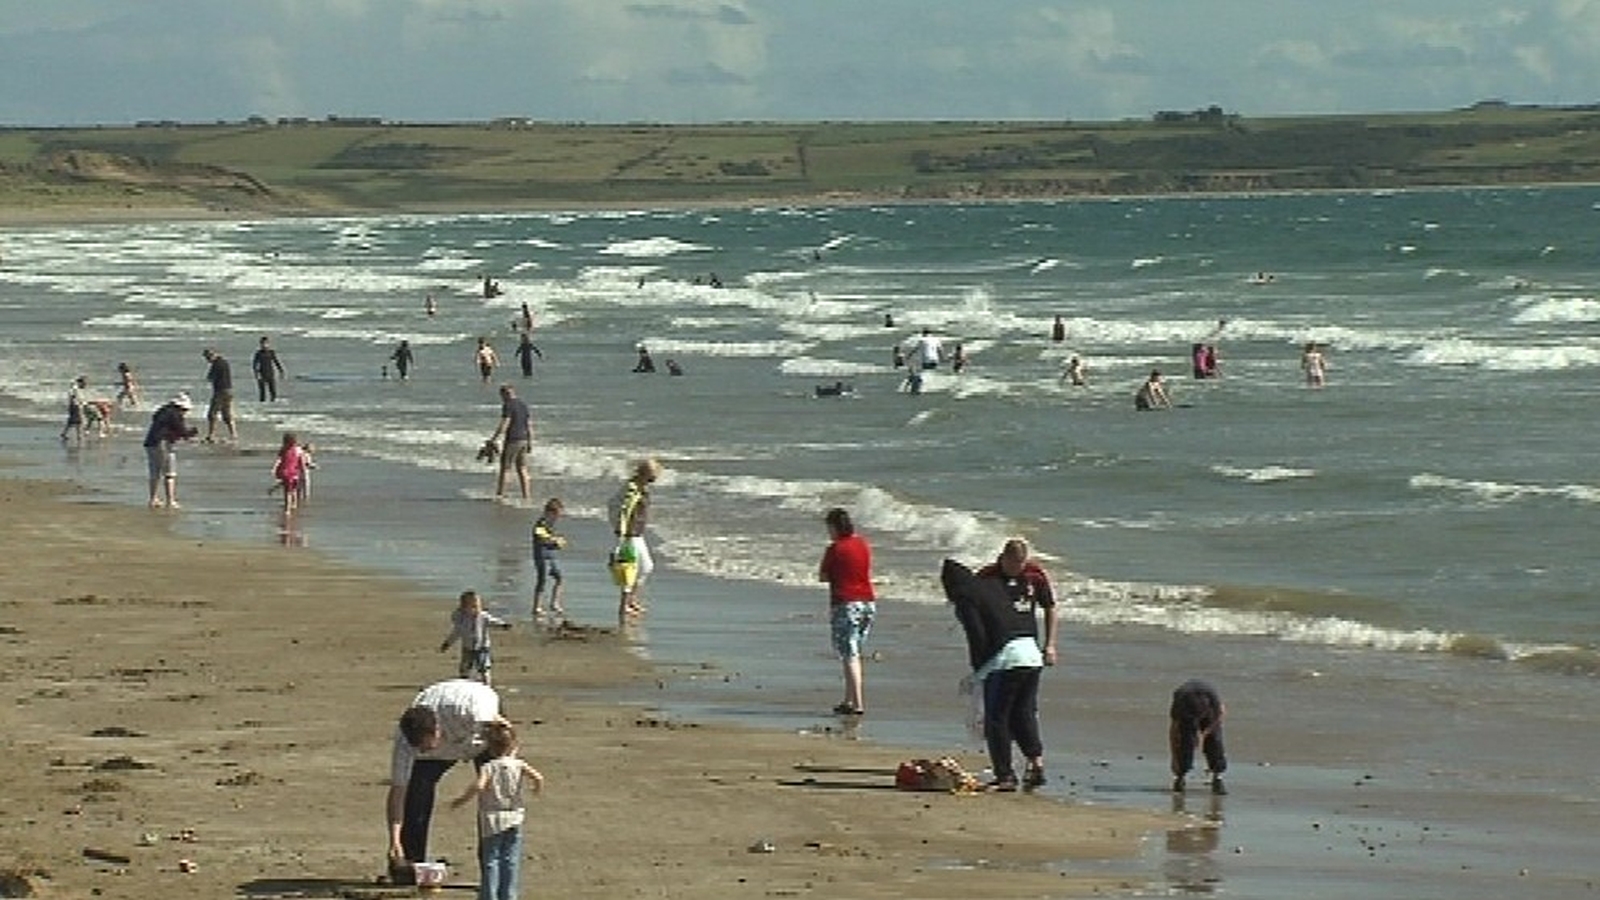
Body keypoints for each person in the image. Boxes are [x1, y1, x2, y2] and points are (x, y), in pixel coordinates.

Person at [941, 538, 1058, 792]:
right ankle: (1036, 763)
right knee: (1023, 713)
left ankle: (1005, 776)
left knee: (997, 718)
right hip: (1030, 654)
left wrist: (978, 671)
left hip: (1008, 659)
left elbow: (977, 634)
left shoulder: (971, 594)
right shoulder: (989, 580)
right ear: (1003, 558)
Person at [386, 678, 509, 881]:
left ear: (436, 730)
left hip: (479, 735)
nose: (421, 751)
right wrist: (394, 840)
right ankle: (413, 865)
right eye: (418, 748)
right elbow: (398, 792)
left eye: (425, 746)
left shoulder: (475, 712)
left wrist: (507, 763)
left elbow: (507, 732)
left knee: (493, 799)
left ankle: (492, 870)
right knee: (416, 794)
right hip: (446, 740)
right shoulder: (407, 741)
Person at [449, 723, 543, 900]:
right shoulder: (519, 765)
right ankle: (509, 894)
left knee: (491, 859)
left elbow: (478, 786)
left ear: (490, 748)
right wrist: (536, 790)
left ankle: (489, 895)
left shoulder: (489, 767)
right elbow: (538, 777)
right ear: (514, 745)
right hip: (514, 815)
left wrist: (461, 800)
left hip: (492, 818)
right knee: (511, 858)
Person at [818, 508, 875, 716]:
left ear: (834, 527)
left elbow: (823, 576)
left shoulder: (835, 549)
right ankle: (849, 699)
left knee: (849, 655)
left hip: (846, 604)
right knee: (853, 653)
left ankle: (858, 703)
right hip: (868, 602)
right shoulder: (863, 544)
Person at [611, 457, 661, 619]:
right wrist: (622, 531)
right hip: (629, 535)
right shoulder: (632, 489)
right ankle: (624, 606)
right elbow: (624, 510)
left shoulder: (641, 487)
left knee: (646, 566)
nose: (655, 478)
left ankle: (631, 600)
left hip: (637, 533)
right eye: (653, 474)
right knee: (629, 569)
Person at [439, 590, 512, 685]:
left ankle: (487, 684)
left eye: (478, 606)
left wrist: (503, 625)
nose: (476, 609)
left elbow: (493, 622)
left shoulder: (483, 616)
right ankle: (464, 682)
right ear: (463, 608)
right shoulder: (462, 620)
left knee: (484, 667)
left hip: (482, 647)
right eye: (472, 607)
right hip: (467, 648)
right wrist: (447, 643)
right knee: (465, 667)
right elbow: (456, 633)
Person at [1170, 679, 1227, 795]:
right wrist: (1174, 757)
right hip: (1187, 701)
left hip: (1206, 696)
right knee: (1185, 742)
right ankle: (1180, 776)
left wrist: (1205, 733)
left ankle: (1218, 776)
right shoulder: (1182, 707)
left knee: (1215, 740)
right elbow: (1174, 732)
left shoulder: (1213, 703)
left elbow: (1221, 714)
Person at [142, 393, 198, 509]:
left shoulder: (162, 411)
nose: (185, 412)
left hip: (151, 443)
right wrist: (193, 432)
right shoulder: (175, 414)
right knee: (169, 474)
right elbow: (182, 431)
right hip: (163, 444)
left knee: (155, 473)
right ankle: (170, 501)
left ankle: (153, 499)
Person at [489, 384, 532, 502]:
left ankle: (500, 495)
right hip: (524, 439)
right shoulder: (523, 405)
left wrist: (494, 439)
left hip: (512, 440)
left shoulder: (508, 405)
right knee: (522, 468)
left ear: (504, 394)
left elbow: (505, 423)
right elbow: (529, 424)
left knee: (505, 468)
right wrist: (530, 441)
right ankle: (526, 496)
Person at [531, 499, 567, 618]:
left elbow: (550, 539)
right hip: (541, 556)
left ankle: (554, 602)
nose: (557, 518)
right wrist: (555, 541)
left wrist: (557, 543)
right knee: (542, 580)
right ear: (548, 513)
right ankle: (537, 606)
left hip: (550, 556)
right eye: (556, 515)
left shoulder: (550, 525)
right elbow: (541, 538)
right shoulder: (540, 524)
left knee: (559, 578)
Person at [201, 348, 237, 442]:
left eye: (207, 358)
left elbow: (210, 377)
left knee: (212, 414)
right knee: (227, 414)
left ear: (211, 355)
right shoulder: (224, 362)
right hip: (229, 390)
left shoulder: (216, 364)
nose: (207, 360)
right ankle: (233, 434)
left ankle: (211, 435)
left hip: (220, 391)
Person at [270, 431, 306, 514]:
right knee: (293, 490)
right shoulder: (299, 450)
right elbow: (302, 462)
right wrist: (303, 472)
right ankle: (293, 504)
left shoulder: (284, 450)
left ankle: (287, 509)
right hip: (295, 473)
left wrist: (274, 468)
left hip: (286, 472)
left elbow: (279, 460)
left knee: (287, 492)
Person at [252, 335, 286, 402]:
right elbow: (255, 365)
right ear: (260, 344)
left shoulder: (271, 352)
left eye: (266, 343)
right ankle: (262, 406)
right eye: (263, 343)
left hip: (270, 373)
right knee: (262, 393)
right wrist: (256, 375)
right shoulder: (258, 353)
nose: (264, 345)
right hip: (262, 374)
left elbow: (276, 362)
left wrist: (281, 371)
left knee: (273, 391)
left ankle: (272, 405)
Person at [59, 376, 88, 443]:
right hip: (75, 406)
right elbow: (74, 398)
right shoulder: (75, 389)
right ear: (80, 382)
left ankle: (65, 433)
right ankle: (79, 436)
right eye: (84, 383)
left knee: (72, 421)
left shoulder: (75, 388)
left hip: (74, 406)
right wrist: (80, 404)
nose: (85, 385)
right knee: (79, 421)